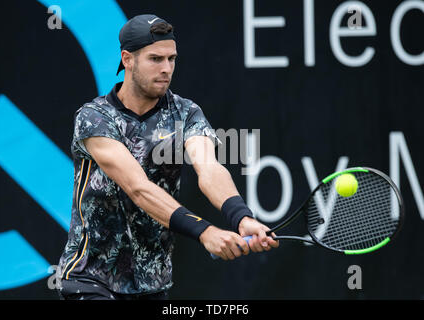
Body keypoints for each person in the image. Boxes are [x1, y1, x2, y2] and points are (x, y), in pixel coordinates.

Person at [56, 14, 278, 300]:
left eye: (171, 59)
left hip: (152, 284)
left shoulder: (186, 113)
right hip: (89, 278)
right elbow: (138, 188)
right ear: (127, 59)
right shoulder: (94, 118)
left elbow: (209, 169)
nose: (166, 69)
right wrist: (205, 231)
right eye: (155, 59)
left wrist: (241, 217)